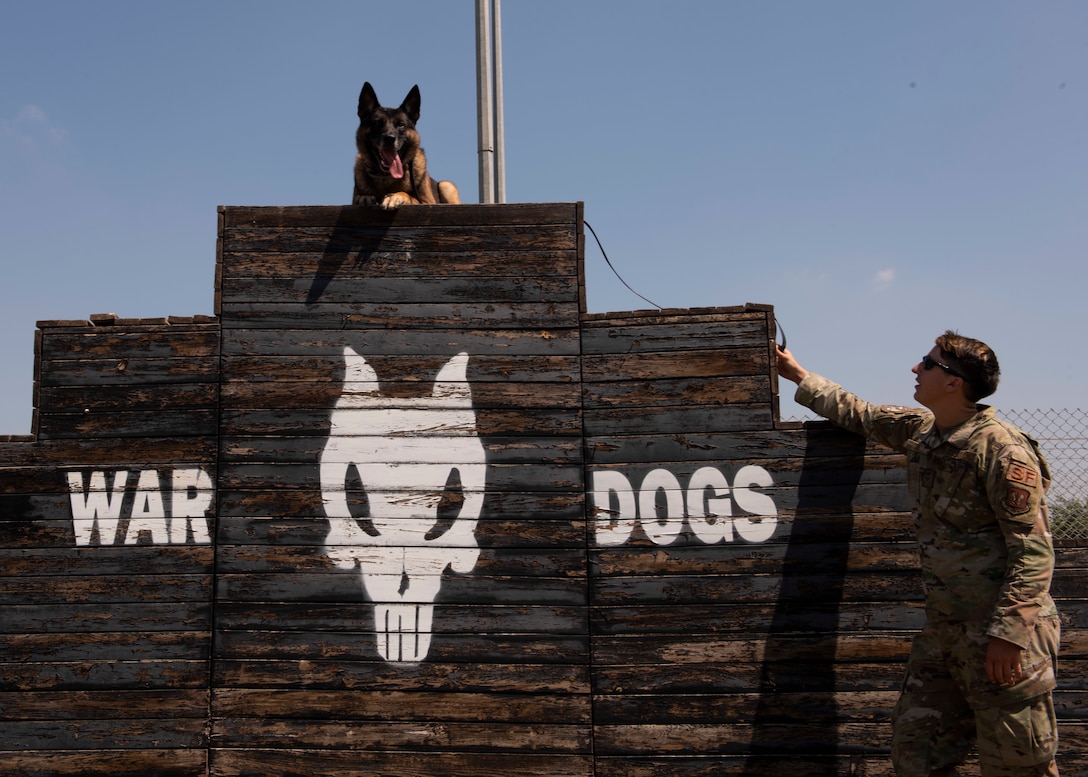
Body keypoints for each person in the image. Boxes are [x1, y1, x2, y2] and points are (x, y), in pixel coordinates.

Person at [776, 331, 1060, 777]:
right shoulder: (923, 432)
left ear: (954, 382)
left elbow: (1033, 549)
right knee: (917, 754)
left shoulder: (1002, 449)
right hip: (945, 635)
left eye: (927, 364)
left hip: (1002, 637)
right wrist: (797, 374)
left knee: (1019, 765)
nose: (915, 368)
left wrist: (1011, 634)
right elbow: (863, 415)